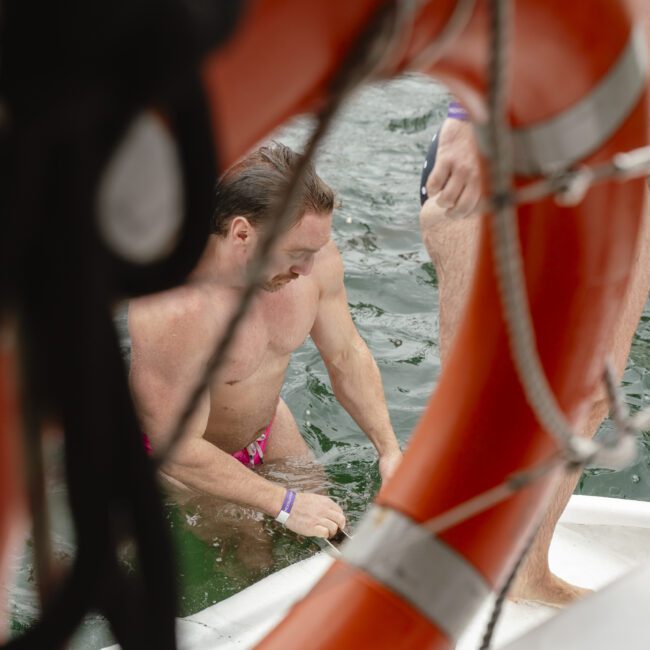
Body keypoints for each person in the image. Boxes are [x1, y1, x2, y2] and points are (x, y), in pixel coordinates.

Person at [419, 89, 650, 605]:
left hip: (633, 164)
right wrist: (465, 119)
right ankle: (448, 556)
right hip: (515, 136)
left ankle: (527, 570)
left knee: (592, 392)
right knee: (480, 390)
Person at [128, 142, 402, 540]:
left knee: (331, 529)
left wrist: (389, 450)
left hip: (267, 426)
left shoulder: (316, 260)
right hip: (182, 457)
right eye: (297, 252)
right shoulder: (175, 306)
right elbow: (177, 446)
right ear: (242, 233)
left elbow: (346, 355)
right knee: (253, 551)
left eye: (316, 248)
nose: (307, 267)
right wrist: (284, 503)